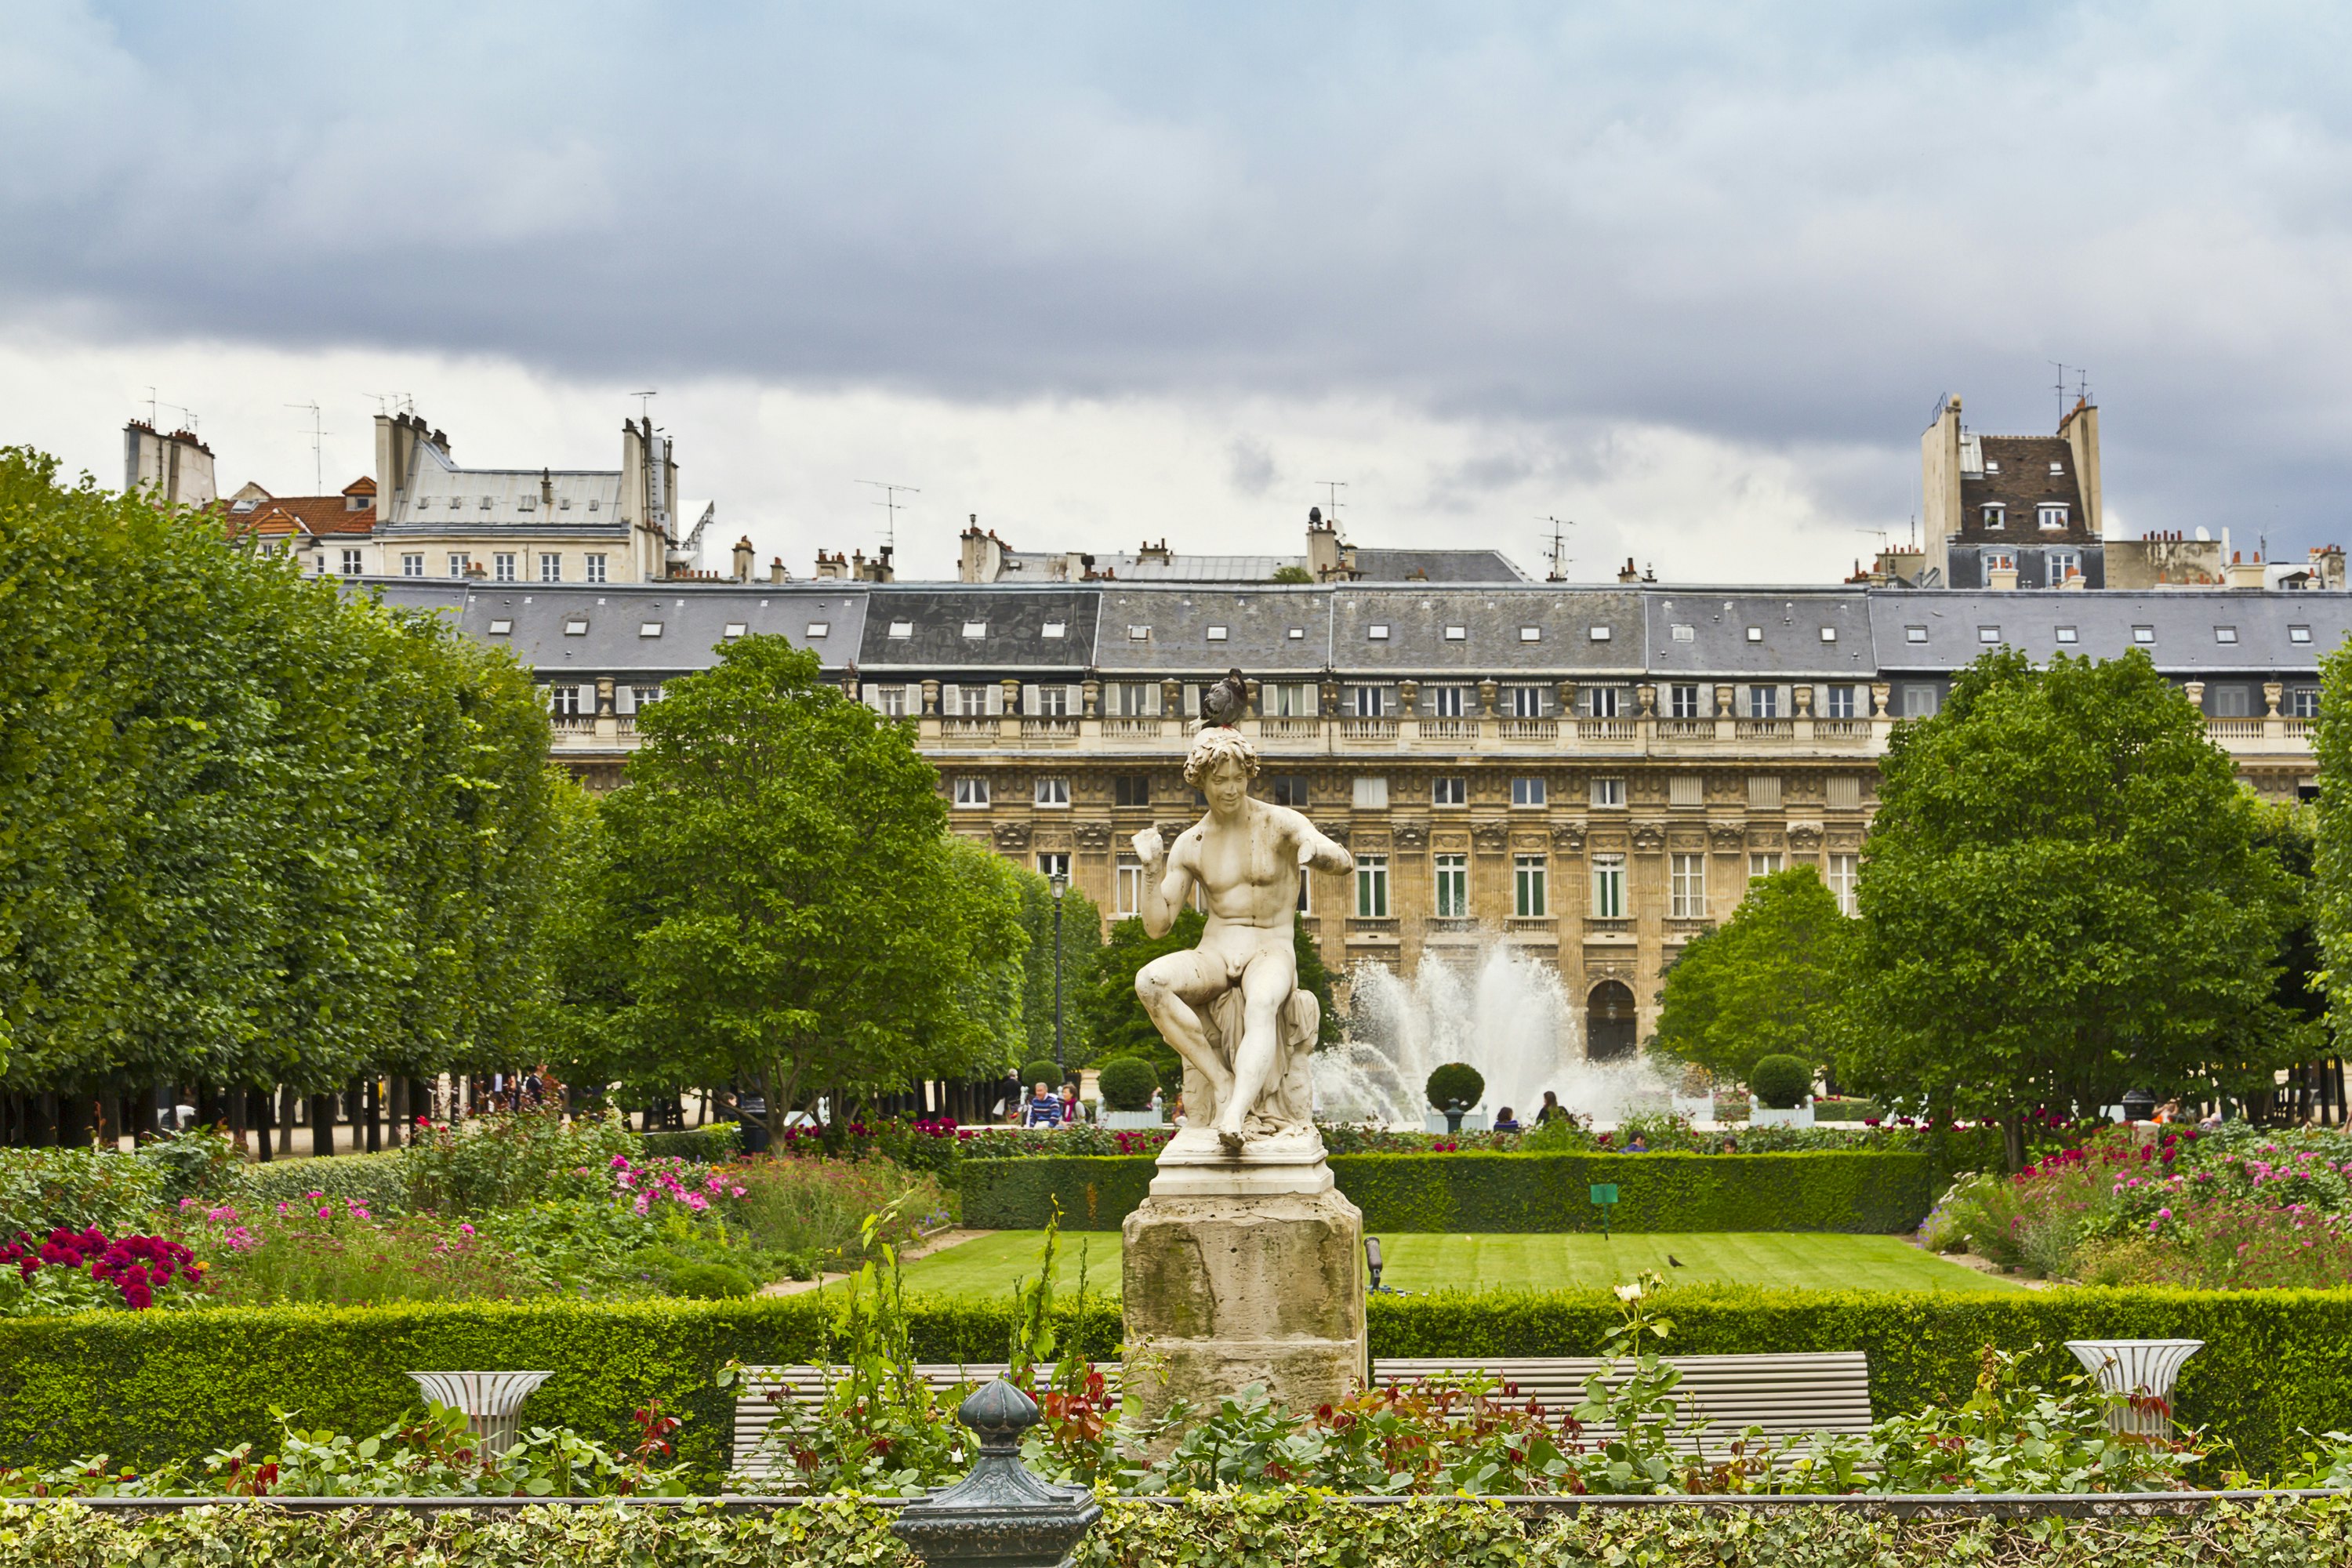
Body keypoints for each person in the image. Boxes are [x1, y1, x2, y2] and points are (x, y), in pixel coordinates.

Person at [1132, 724, 1354, 1154]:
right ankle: (1221, 1081)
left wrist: (1315, 848)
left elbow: (1343, 861)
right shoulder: (1190, 843)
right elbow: (1158, 927)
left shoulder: (1280, 823)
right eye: (1220, 781)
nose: (1231, 789)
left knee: (1264, 1002)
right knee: (1150, 983)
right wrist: (1151, 869)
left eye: (1238, 778)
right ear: (1201, 781)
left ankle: (1235, 1112)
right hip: (1214, 951)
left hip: (1270, 947)